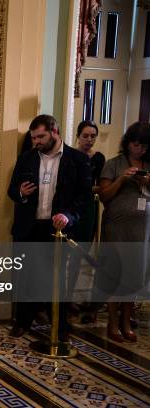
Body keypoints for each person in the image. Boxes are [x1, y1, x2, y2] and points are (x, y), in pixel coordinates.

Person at [7, 114, 92, 340]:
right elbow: (12, 191)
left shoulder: (77, 160)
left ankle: (60, 327)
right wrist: (21, 194)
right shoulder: (26, 158)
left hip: (58, 230)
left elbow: (84, 198)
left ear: (55, 132)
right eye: (34, 137)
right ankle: (23, 322)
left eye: (41, 136)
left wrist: (68, 215)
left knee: (55, 280)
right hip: (29, 227)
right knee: (27, 277)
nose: (36, 141)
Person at [97, 121, 150, 343]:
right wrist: (123, 178)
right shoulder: (113, 164)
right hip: (116, 227)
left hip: (141, 228)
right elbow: (104, 195)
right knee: (114, 272)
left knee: (133, 274)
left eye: (145, 146)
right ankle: (112, 321)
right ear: (128, 143)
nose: (140, 149)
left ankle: (127, 320)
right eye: (136, 145)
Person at [66, 121, 105, 317]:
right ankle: (61, 298)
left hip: (90, 208)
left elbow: (100, 184)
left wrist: (94, 190)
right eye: (85, 136)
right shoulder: (70, 156)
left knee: (81, 254)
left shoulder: (98, 158)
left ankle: (71, 297)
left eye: (93, 136)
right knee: (67, 253)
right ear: (78, 136)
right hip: (73, 208)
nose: (89, 140)